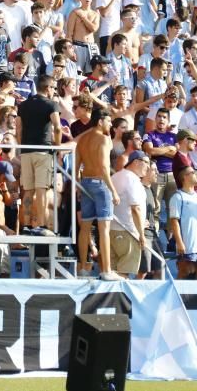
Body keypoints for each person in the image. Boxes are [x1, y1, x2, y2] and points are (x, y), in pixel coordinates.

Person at [74, 109, 125, 281]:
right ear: (100, 121)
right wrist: (114, 191)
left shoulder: (82, 140)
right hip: (101, 184)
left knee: (85, 227)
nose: (111, 125)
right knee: (104, 228)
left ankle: (82, 268)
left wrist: (77, 185)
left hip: (86, 183)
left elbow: (76, 166)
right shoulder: (103, 139)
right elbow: (104, 167)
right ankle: (106, 270)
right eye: (109, 121)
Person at [16, 74, 61, 231]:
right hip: (43, 151)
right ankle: (40, 225)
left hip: (26, 151)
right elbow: (58, 127)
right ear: (48, 87)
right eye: (54, 88)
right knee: (42, 189)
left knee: (28, 190)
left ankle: (27, 225)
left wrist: (22, 147)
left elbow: (18, 129)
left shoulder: (23, 105)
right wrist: (58, 147)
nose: (54, 91)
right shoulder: (52, 105)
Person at [109, 151, 150, 278]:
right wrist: (141, 234)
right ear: (136, 162)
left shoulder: (115, 176)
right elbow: (135, 208)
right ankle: (119, 298)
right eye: (146, 163)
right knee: (123, 274)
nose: (148, 167)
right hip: (128, 232)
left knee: (113, 274)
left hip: (111, 230)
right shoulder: (132, 179)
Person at [170, 167, 197, 280]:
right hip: (188, 244)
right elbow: (174, 221)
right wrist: (179, 242)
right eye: (193, 172)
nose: (196, 174)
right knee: (185, 273)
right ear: (185, 177)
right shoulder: (178, 197)